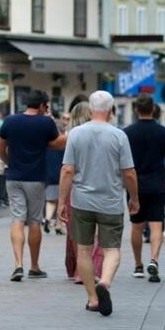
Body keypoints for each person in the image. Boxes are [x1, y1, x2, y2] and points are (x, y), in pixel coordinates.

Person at [58, 91, 139, 316]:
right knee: (111, 249)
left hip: (82, 201)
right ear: (111, 110)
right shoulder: (119, 136)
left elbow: (67, 170)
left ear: (91, 109)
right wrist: (134, 198)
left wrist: (62, 202)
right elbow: (129, 173)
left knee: (83, 249)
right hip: (111, 202)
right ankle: (104, 282)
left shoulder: (75, 134)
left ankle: (93, 298)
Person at [0, 89, 67, 282]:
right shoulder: (46, 122)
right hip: (36, 178)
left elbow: (0, 146)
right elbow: (58, 143)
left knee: (17, 219)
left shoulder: (10, 121)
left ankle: (18, 264)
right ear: (43, 105)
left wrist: (8, 162)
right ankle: (34, 267)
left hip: (14, 176)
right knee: (35, 221)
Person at [124, 93, 165, 283]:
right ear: (153, 110)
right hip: (157, 185)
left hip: (135, 185)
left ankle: (138, 265)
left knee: (136, 226)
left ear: (136, 110)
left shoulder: (128, 132)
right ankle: (154, 260)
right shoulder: (164, 132)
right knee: (157, 225)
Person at [62, 102, 103, 283]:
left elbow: (67, 168)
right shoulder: (103, 134)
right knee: (96, 228)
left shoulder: (71, 136)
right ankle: (92, 267)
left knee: (77, 229)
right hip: (99, 184)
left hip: (76, 186)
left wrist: (61, 200)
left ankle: (80, 269)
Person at [44, 118, 65, 235]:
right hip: (61, 176)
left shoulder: (47, 144)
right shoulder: (63, 144)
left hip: (48, 176)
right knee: (61, 202)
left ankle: (47, 219)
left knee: (51, 201)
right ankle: (58, 224)